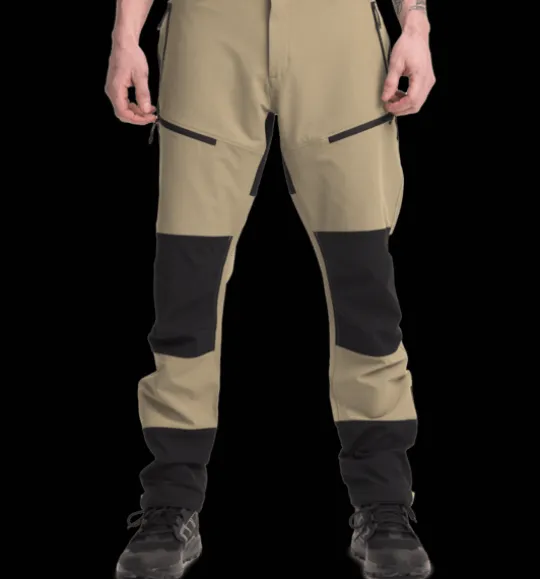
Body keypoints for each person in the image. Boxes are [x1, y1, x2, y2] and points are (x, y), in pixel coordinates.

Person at [105, 0, 436, 577]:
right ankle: (169, 503)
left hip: (340, 38)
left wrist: (415, 22)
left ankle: (384, 503)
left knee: (364, 281)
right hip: (209, 35)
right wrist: (125, 35)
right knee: (187, 281)